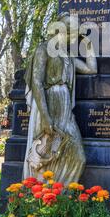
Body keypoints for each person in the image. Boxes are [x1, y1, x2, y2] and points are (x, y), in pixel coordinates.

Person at [23, 13, 97, 184]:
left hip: (65, 109)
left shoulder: (67, 55)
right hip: (49, 104)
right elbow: (36, 82)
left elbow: (91, 68)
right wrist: (46, 116)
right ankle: (41, 196)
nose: (73, 35)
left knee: (79, 158)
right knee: (45, 152)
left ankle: (60, 196)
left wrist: (88, 44)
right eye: (71, 31)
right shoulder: (43, 49)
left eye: (75, 32)